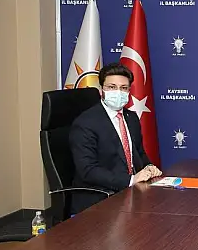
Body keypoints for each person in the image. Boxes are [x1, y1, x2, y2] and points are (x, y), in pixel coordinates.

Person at [69, 62, 162, 214]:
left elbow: (138, 152)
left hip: (130, 194)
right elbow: (88, 170)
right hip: (99, 199)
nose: (118, 92)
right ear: (101, 90)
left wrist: (148, 167)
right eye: (112, 87)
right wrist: (130, 180)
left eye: (123, 88)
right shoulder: (85, 123)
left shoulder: (131, 118)